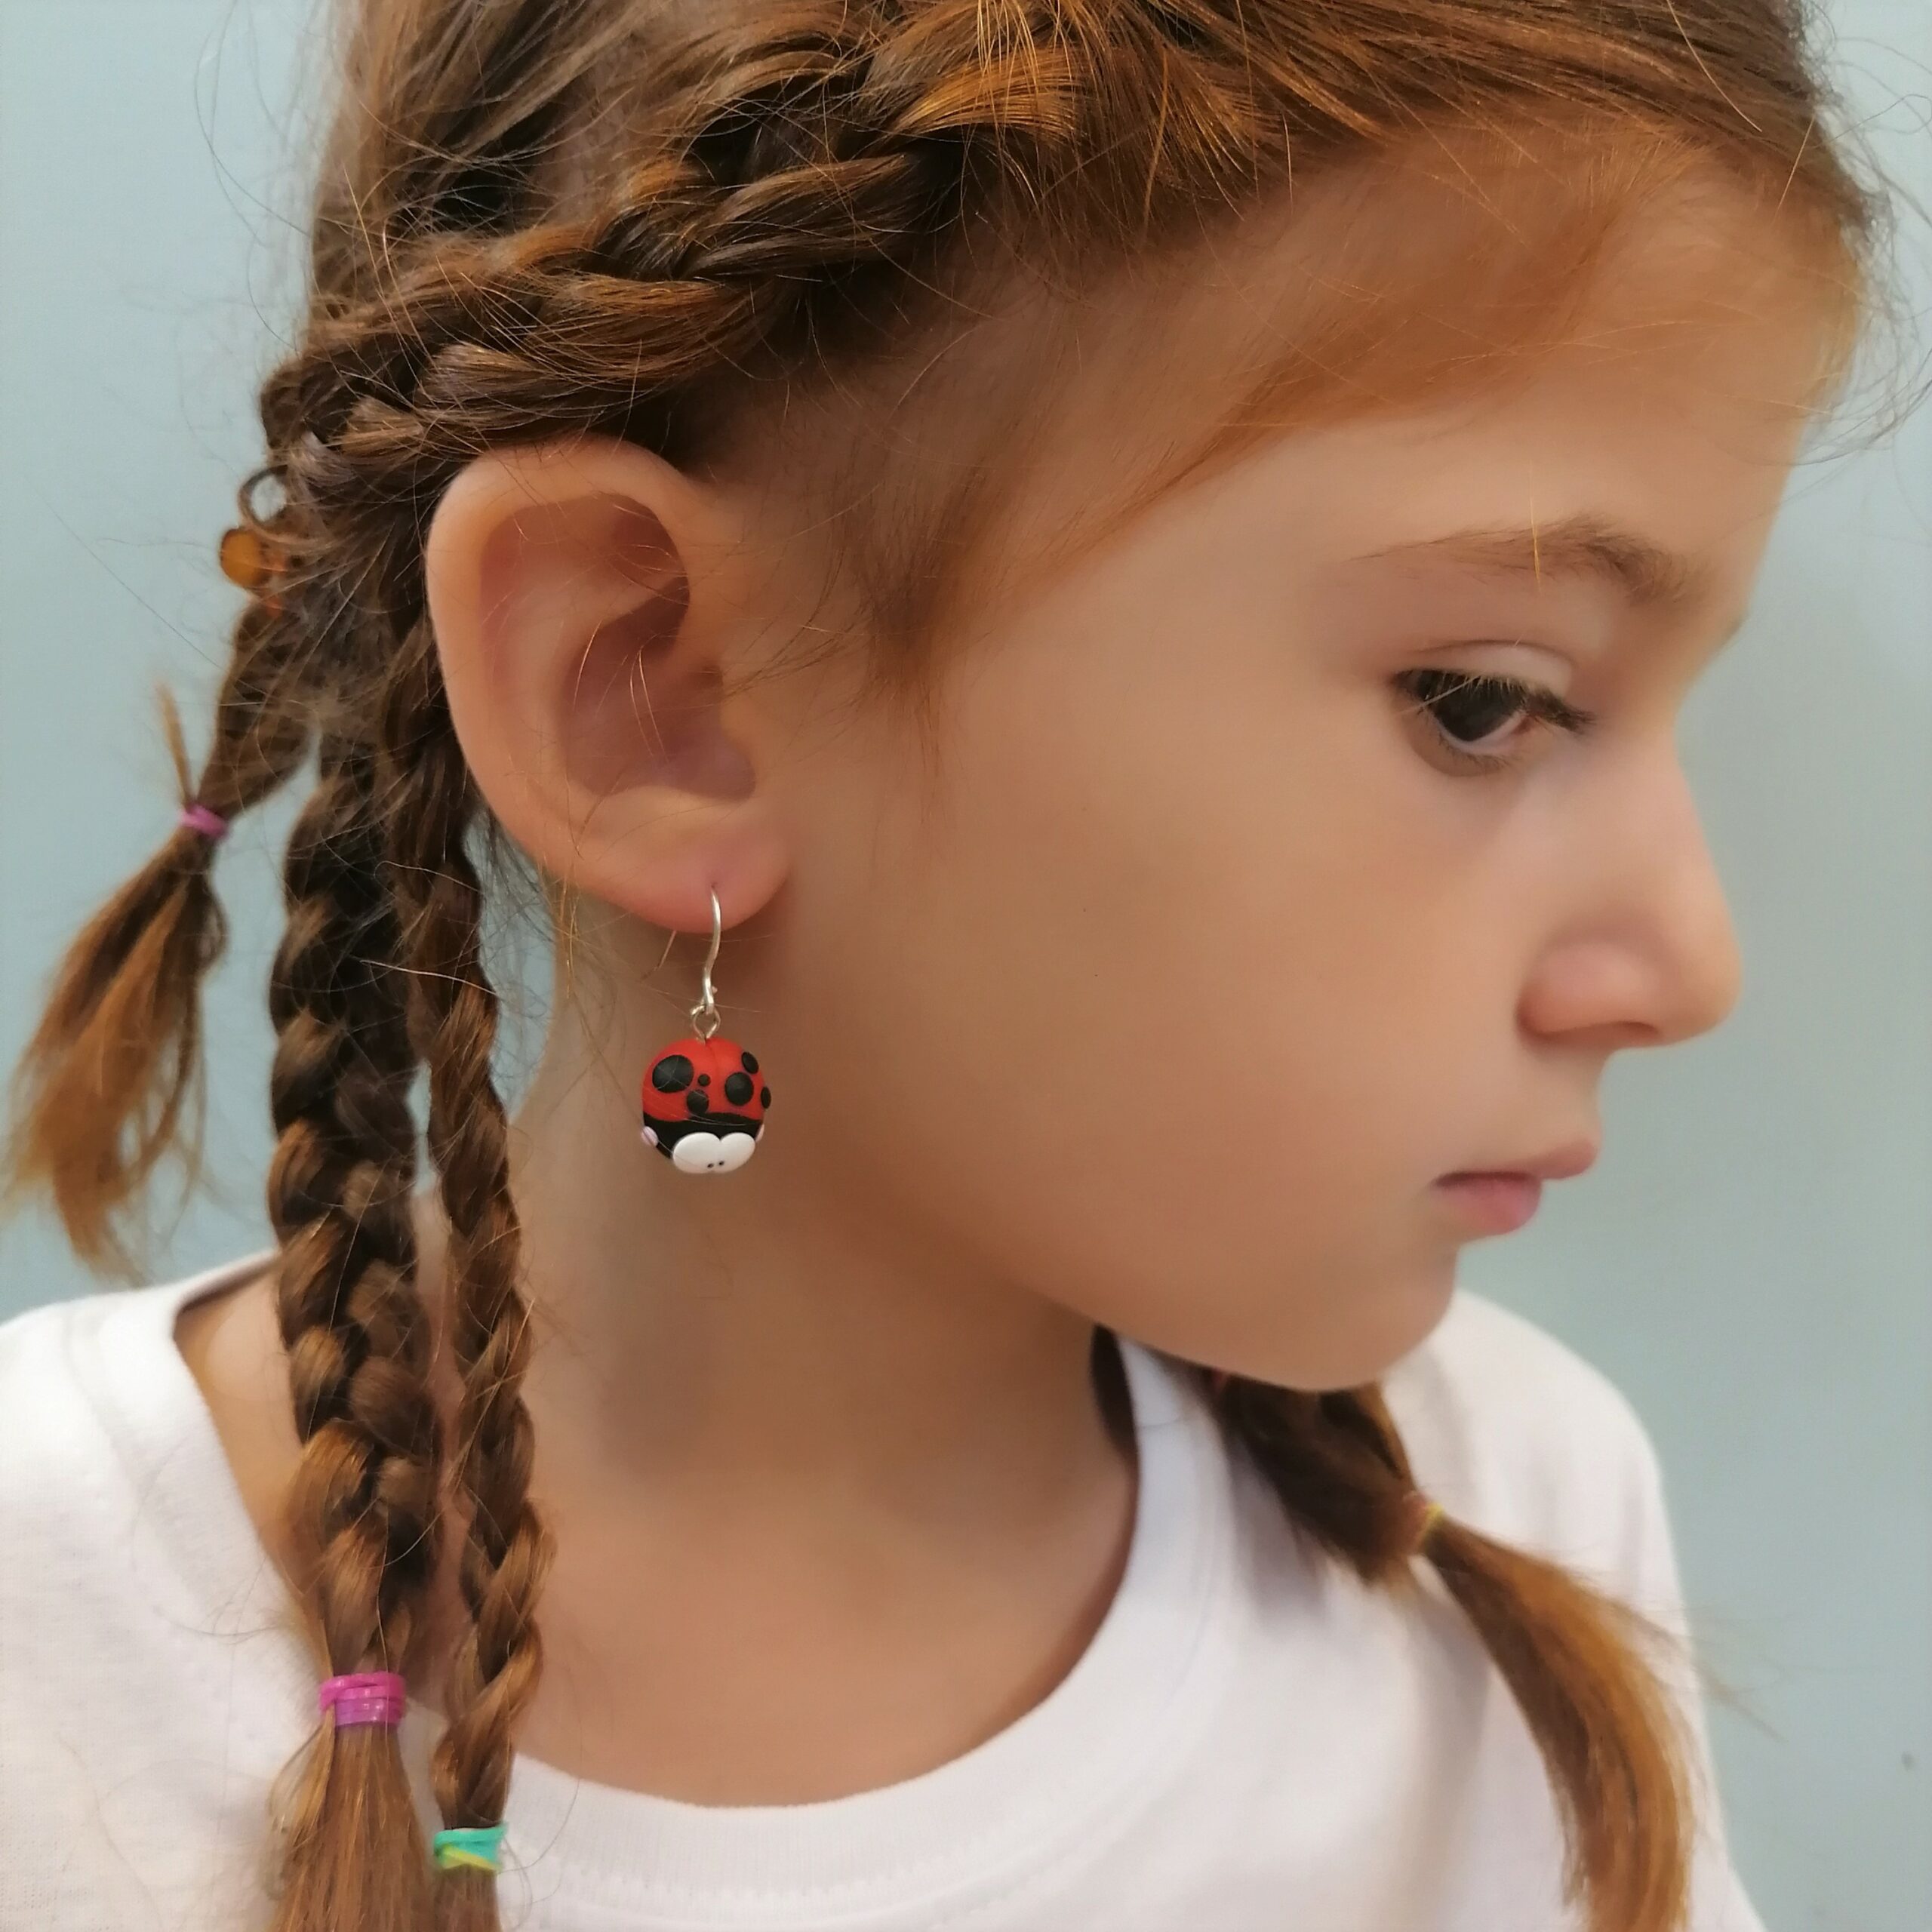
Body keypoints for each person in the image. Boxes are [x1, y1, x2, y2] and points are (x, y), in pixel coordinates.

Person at [0, 1, 1887, 1928]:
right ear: (651, 691)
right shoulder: (40, 1649)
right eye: (1481, 701)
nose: (1685, 964)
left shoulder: (1510, 1507)